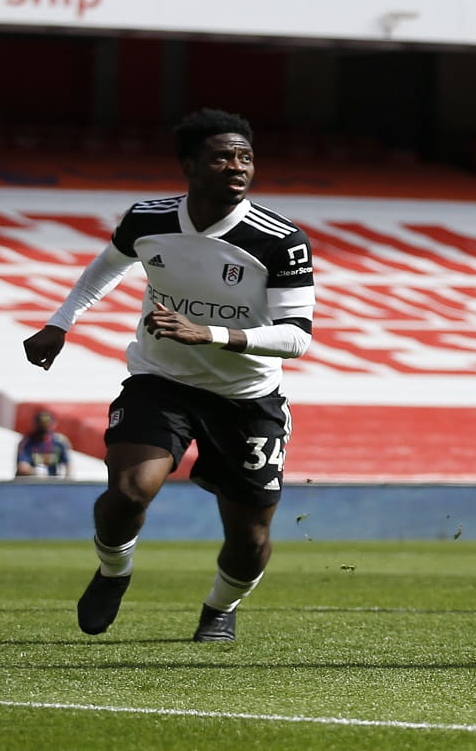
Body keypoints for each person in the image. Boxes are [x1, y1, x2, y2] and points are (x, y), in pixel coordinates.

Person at [20, 109, 316, 642]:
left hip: (246, 396)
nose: (237, 166)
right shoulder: (147, 219)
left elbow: (297, 337)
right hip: (161, 381)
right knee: (129, 492)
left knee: (250, 538)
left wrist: (210, 334)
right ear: (189, 166)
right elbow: (107, 266)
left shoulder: (281, 240)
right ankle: (114, 571)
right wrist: (60, 322)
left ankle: (220, 608)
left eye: (246, 157)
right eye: (222, 157)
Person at [15, 409, 73, 477]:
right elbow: (22, 467)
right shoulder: (27, 442)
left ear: (53, 425)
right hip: (31, 480)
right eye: (41, 425)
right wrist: (38, 472)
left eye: (46, 425)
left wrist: (66, 480)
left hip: (52, 481)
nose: (44, 429)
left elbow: (68, 465)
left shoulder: (59, 442)